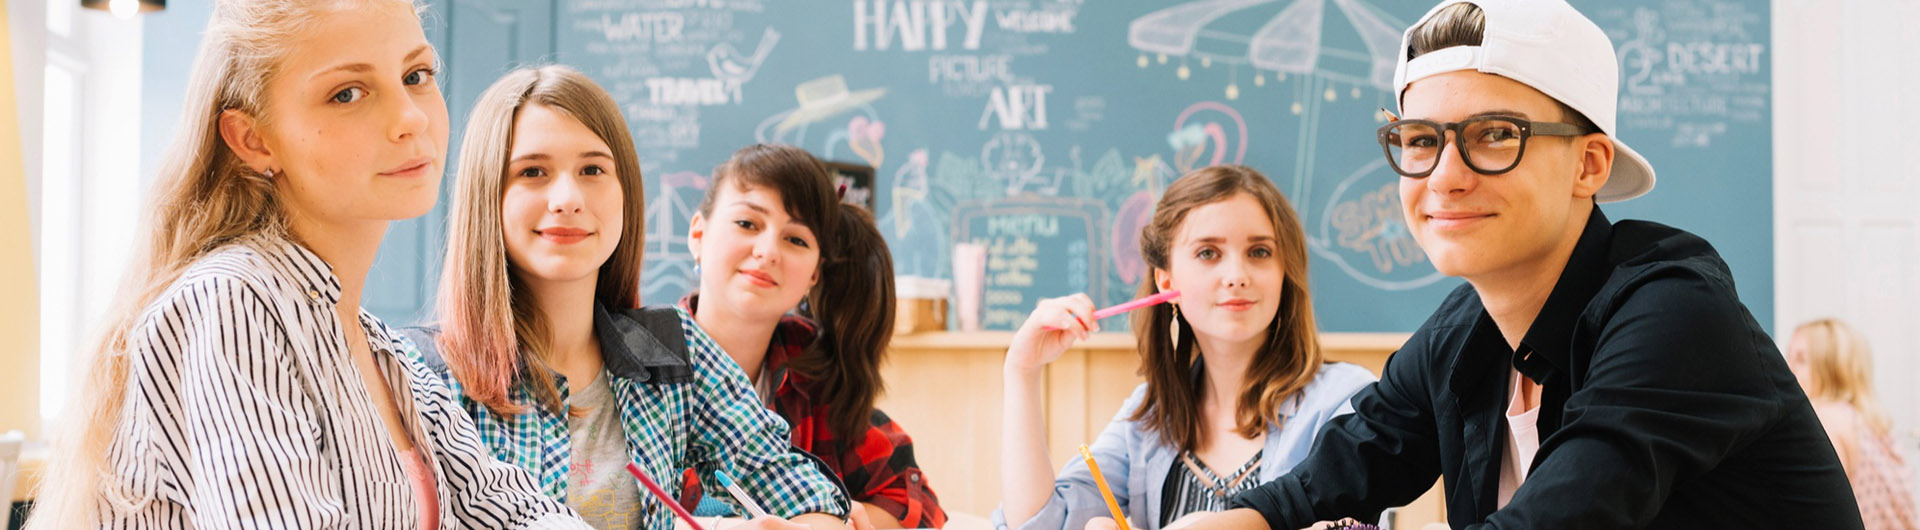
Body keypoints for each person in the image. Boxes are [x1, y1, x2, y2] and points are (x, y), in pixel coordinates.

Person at [1154, 0, 1864, 527]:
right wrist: (1238, 519)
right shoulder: (1462, 333)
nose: (1444, 177)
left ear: (1589, 164)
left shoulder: (1674, 310)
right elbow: (1349, 463)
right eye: (1420, 139)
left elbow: (1565, 513)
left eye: (1495, 135)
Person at [27, 1, 590, 528]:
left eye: (416, 75)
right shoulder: (231, 303)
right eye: (347, 93)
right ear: (253, 139)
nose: (410, 118)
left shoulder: (382, 351)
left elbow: (512, 512)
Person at [403, 66, 853, 530]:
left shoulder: (673, 349)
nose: (568, 198)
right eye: (532, 171)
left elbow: (804, 491)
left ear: (625, 193)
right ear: (487, 194)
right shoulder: (420, 375)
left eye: (593, 170)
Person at [995, 165, 1373, 530]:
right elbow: (1042, 525)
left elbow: (1359, 526)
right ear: (1166, 281)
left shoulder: (1344, 401)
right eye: (1208, 253)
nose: (1237, 276)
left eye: (1259, 252)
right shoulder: (1149, 419)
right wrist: (1022, 371)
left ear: (1284, 270)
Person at [676, 144, 947, 529]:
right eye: (747, 224)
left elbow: (915, 503)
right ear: (698, 234)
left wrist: (835, 518)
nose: (768, 252)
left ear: (814, 274)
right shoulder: (637, 362)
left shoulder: (813, 377)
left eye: (796, 240)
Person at [1787, 318, 1920, 529]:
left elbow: (1814, 513)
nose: (1788, 369)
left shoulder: (1826, 419)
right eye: (1788, 357)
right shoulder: (1873, 423)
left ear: (1832, 369)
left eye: (1801, 360)